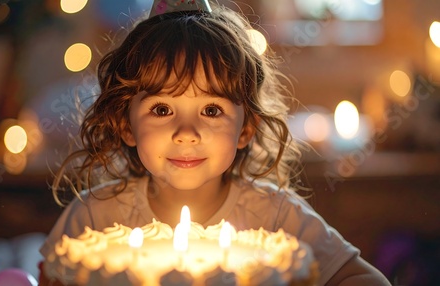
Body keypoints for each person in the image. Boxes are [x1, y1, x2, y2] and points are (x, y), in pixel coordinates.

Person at [39, 0, 391, 285]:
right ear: (126, 125)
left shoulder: (278, 217)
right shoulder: (92, 218)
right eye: (162, 109)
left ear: (246, 128)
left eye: (211, 109)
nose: (187, 132)